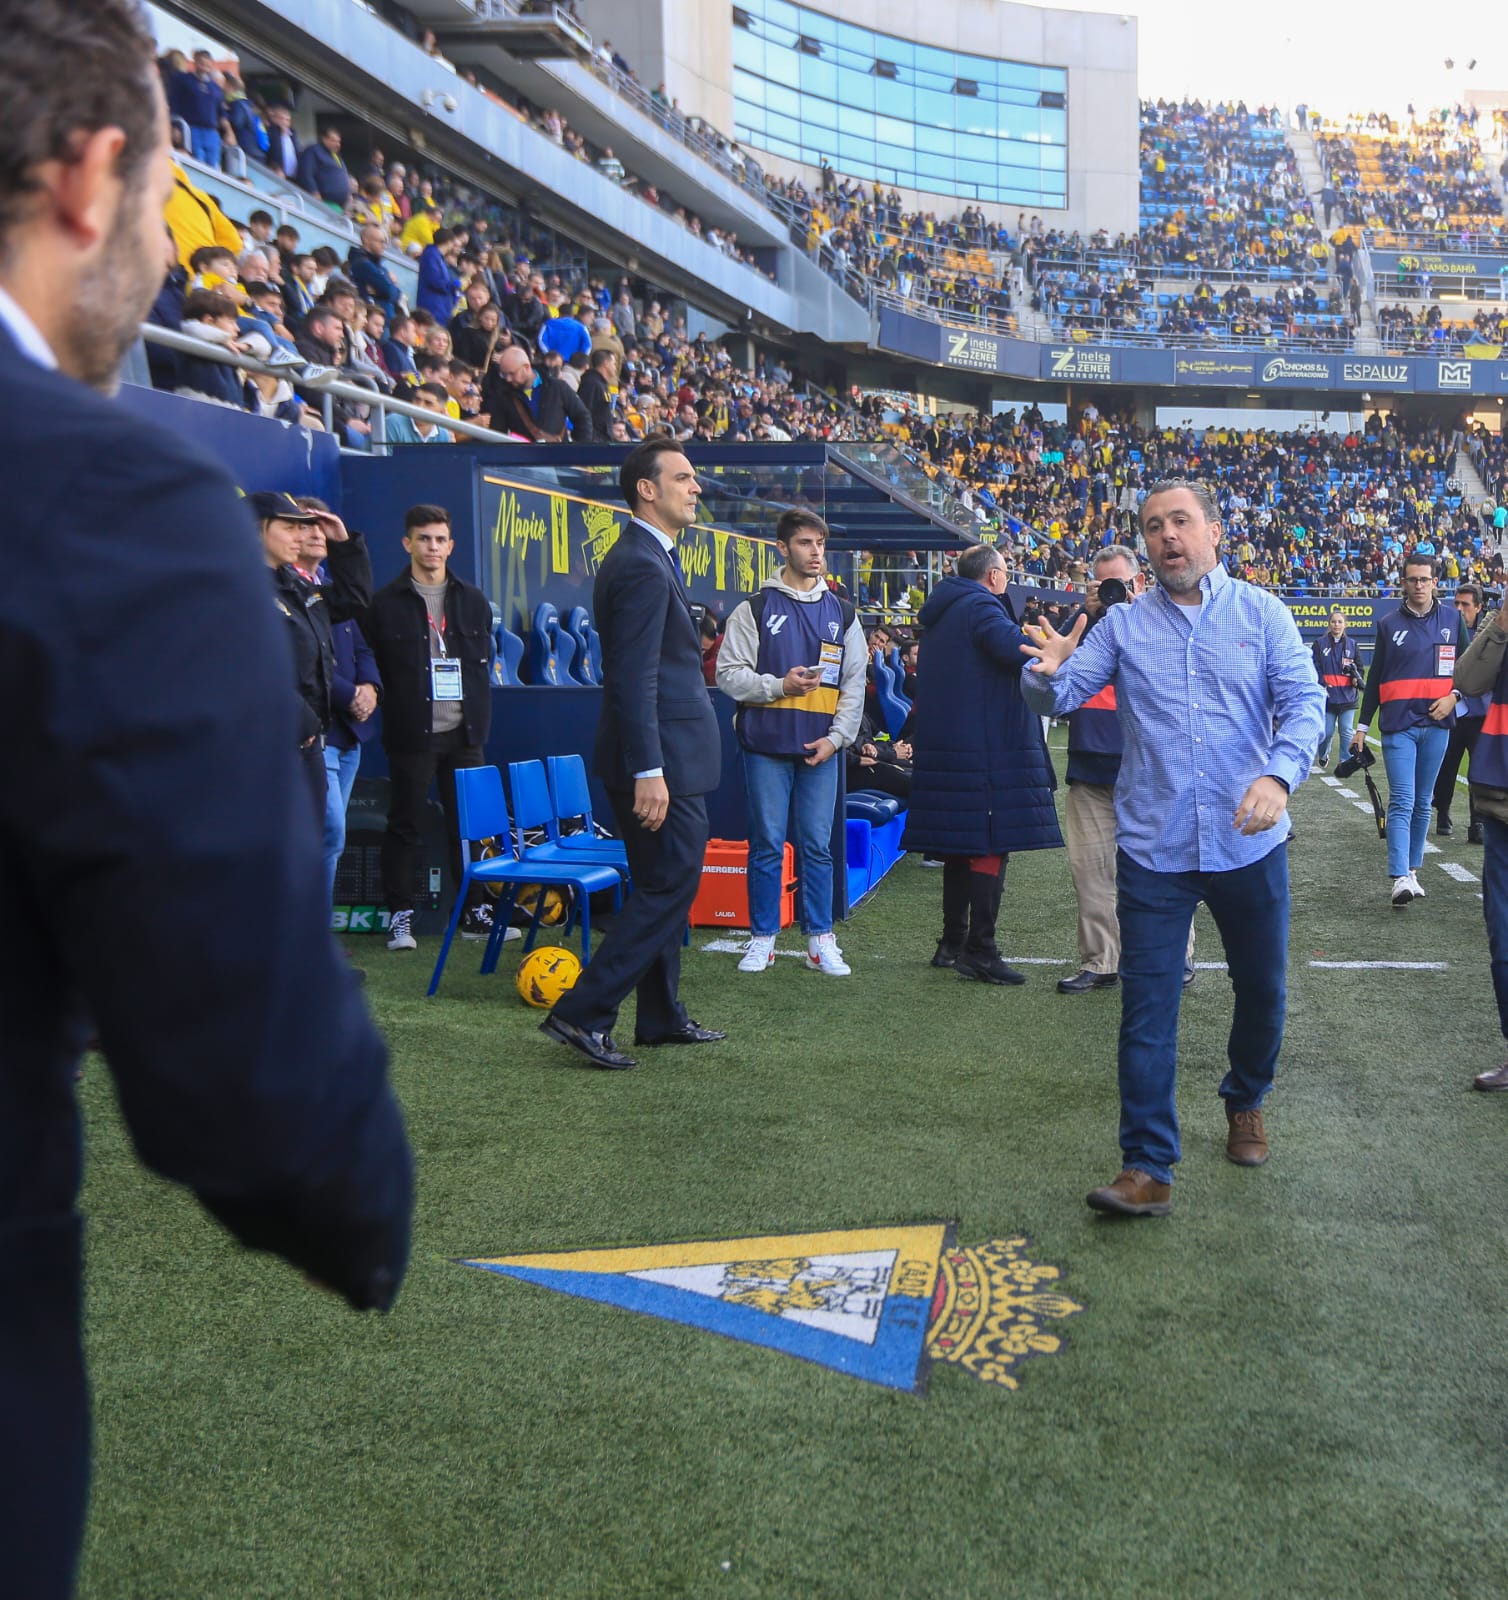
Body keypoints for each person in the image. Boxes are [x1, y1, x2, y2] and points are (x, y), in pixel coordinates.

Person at [0, 6, 412, 1593]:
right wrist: (364, 1210)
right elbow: (247, 1082)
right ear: (93, 179)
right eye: (173, 198)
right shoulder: (109, 495)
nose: (174, 251)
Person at [1021, 479, 1324, 1219]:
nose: (1168, 538)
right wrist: (1045, 673)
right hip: (1154, 851)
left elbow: (1306, 703)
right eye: (1154, 526)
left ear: (1214, 532)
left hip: (1249, 846)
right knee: (1146, 1011)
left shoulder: (1263, 612)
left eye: (1180, 522)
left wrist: (1278, 777)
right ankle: (1146, 1164)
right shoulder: (1122, 626)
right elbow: (1059, 696)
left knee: (1263, 993)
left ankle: (1245, 1098)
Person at [540, 439, 725, 1069]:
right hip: (659, 761)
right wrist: (649, 770)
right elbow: (633, 677)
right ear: (647, 489)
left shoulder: (650, 557)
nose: (695, 487)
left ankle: (660, 1016)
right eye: (683, 477)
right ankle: (583, 1011)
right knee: (671, 885)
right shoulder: (642, 564)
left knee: (658, 885)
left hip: (663, 756)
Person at [902, 545, 1063, 984]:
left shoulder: (944, 611)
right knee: (991, 843)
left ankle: (952, 943)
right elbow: (1020, 650)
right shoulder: (982, 608)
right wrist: (1055, 648)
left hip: (951, 747)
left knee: (959, 847)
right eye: (1007, 574)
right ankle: (980, 949)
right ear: (993, 576)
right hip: (985, 752)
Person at [716, 509, 867, 976]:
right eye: (805, 542)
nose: (816, 551)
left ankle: (820, 939)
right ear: (782, 548)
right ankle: (763, 938)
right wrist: (779, 686)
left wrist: (838, 739)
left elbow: (855, 683)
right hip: (765, 745)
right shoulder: (755, 608)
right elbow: (728, 675)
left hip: (820, 749)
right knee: (765, 843)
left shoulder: (843, 612)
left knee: (817, 846)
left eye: (820, 542)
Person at [358, 505, 504, 952]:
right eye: (424, 539)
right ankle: (400, 916)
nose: (433, 547)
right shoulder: (384, 604)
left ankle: (474, 911)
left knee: (470, 826)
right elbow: (373, 665)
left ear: (451, 546)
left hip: (466, 733)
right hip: (412, 734)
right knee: (405, 824)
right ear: (407, 544)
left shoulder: (473, 600)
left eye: (440, 539)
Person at [1056, 545, 1195, 996]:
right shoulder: (1080, 623)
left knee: (1165, 870)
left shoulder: (1162, 622)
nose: (1113, 592)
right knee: (1091, 870)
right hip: (1091, 767)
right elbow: (1051, 668)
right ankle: (1101, 961)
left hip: (1151, 768)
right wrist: (1088, 613)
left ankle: (1179, 957)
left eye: (1120, 583)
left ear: (1141, 582)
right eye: (1102, 584)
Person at [1350, 555, 1466, 906]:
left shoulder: (1453, 619)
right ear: (1403, 582)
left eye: (1425, 579)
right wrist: (1362, 725)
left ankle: (1413, 870)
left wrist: (1455, 697)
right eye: (1413, 579)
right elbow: (1374, 681)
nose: (1419, 585)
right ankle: (1399, 875)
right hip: (1398, 726)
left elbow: (1468, 670)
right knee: (1402, 798)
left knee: (1423, 801)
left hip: (1438, 725)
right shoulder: (1387, 624)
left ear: (1435, 582)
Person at [253, 493, 374, 823]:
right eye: (289, 527)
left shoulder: (294, 585)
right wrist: (302, 719)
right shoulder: (241, 589)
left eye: (301, 527)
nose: (300, 535)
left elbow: (353, 600)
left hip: (308, 744)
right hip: (269, 744)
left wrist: (343, 544)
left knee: (311, 841)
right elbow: (252, 670)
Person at [294, 501, 382, 912]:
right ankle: (306, 932)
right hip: (316, 730)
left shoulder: (328, 587)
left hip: (349, 733)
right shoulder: (284, 589)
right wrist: (350, 695)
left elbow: (361, 644)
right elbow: (305, 664)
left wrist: (371, 688)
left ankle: (316, 930)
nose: (316, 534)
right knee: (328, 830)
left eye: (320, 527)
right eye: (305, 526)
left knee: (330, 837)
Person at [1452, 600, 1508, 1089]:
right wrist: (1502, 622)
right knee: (1504, 936)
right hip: (1501, 808)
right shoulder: (1500, 628)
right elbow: (1467, 682)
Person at [1435, 581, 1487, 842]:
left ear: (1478, 607)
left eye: (1465, 604)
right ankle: (1442, 813)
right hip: (1452, 711)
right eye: (1456, 603)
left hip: (1481, 714)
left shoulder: (1490, 635)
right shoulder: (1445, 630)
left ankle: (1477, 823)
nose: (1458, 608)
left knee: (1478, 771)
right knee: (1446, 767)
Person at [488, 344, 592, 442]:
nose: (508, 379)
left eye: (511, 373)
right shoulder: (503, 396)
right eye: (504, 375)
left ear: (526, 367)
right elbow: (498, 434)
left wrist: (579, 452)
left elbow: (582, 416)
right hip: (524, 458)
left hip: (560, 457)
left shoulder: (557, 387)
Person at [1311, 607, 1361, 770]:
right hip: (1327, 697)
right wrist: (1322, 683)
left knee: (1346, 730)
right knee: (1326, 732)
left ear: (1345, 624)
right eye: (1333, 622)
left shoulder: (1353, 645)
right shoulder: (1319, 644)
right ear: (1329, 624)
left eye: (1340, 622)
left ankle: (1344, 760)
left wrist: (1356, 678)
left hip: (1348, 697)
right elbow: (1314, 667)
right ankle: (1323, 754)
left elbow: (1359, 668)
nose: (1336, 625)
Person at [296, 125, 352, 208]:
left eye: (338, 141)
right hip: (323, 201)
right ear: (324, 139)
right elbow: (306, 173)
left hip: (340, 204)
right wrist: (313, 191)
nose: (337, 144)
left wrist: (348, 193)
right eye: (333, 141)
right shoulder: (314, 151)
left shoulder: (336, 155)